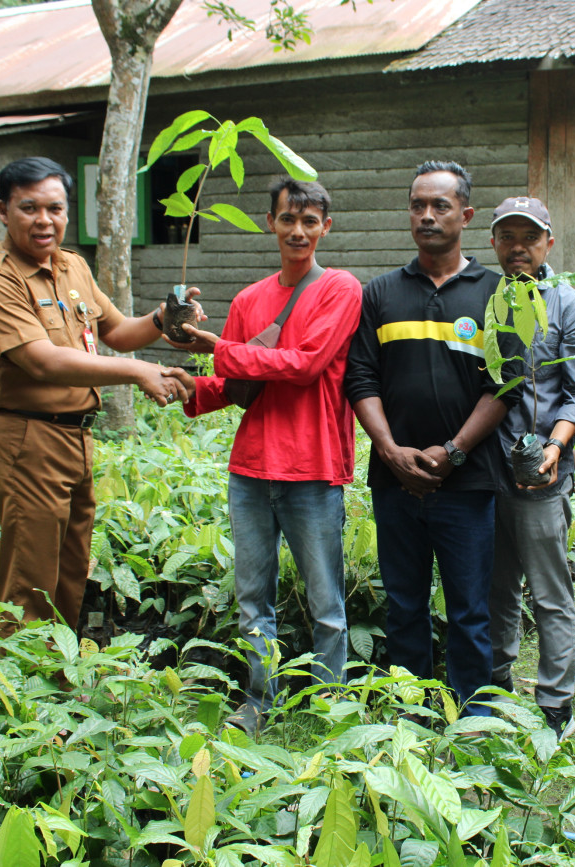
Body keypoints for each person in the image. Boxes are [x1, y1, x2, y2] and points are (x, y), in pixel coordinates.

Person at [0, 157, 196, 635]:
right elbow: (44, 361)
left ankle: (57, 673)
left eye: (55, 208)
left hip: (75, 438)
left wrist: (161, 318)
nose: (44, 220)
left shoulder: (72, 265)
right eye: (29, 208)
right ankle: (21, 686)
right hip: (27, 436)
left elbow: (116, 332)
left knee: (72, 565)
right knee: (31, 575)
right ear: (4, 211)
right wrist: (139, 372)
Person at [175, 178, 362, 733]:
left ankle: (331, 705)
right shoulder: (248, 301)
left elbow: (304, 366)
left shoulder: (340, 289)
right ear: (270, 223)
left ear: (326, 227)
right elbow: (236, 384)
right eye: (288, 219)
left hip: (313, 465)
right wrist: (186, 386)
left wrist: (219, 349)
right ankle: (262, 700)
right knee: (253, 598)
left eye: (310, 221)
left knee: (325, 600)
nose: (298, 231)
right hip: (251, 470)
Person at [344, 160, 515, 717]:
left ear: (465, 215)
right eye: (418, 205)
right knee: (403, 603)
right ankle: (411, 708)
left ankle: (476, 713)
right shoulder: (381, 293)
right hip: (395, 482)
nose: (427, 215)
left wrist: (455, 451)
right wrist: (391, 452)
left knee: (469, 607)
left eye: (440, 205)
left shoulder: (497, 292)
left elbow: (504, 384)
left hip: (467, 482)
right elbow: (361, 378)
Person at [486, 196, 575, 738]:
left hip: (539, 477)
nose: (517, 247)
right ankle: (494, 687)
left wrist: (556, 445)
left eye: (528, 238)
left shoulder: (570, 306)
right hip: (484, 475)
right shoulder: (485, 301)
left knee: (549, 590)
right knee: (496, 586)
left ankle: (557, 703)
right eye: (507, 237)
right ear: (493, 242)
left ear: (548, 243)